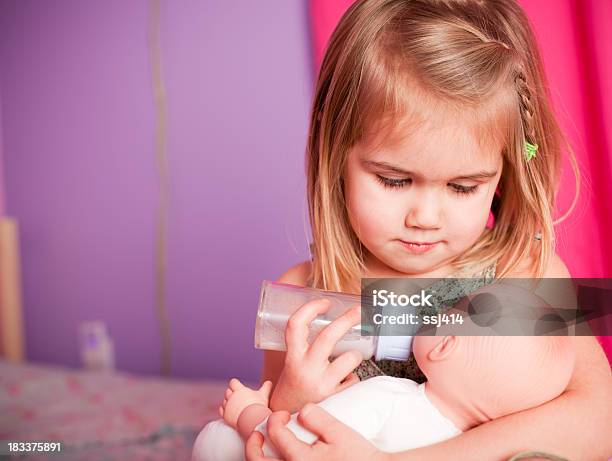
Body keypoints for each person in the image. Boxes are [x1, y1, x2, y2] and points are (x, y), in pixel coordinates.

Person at [243, 0, 612, 459]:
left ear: (504, 171)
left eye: (462, 187)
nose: (425, 217)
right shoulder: (304, 296)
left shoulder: (524, 272)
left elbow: (600, 424)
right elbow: (267, 432)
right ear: (334, 148)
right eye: (394, 180)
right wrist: (292, 402)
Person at [192, 334, 575, 460]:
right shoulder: (465, 446)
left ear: (444, 345)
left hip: (229, 450)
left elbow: (286, 445)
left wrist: (249, 411)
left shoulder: (387, 395)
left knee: (217, 438)